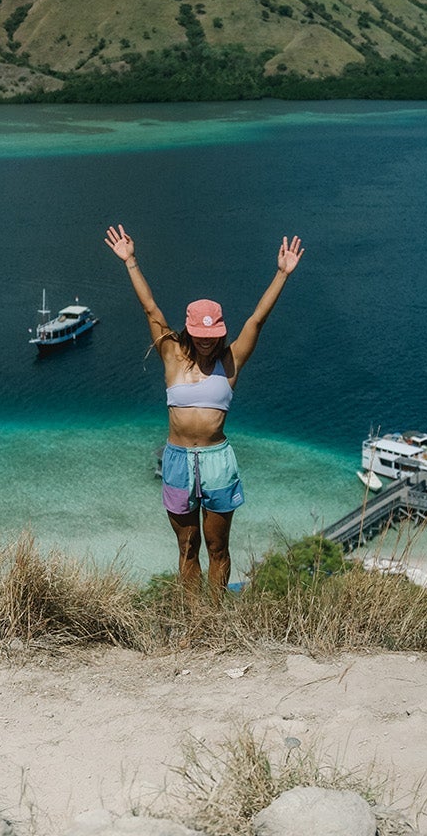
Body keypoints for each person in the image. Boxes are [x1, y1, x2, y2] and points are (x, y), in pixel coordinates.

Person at [103, 224, 304, 594]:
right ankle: (195, 623)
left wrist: (282, 274)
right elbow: (150, 308)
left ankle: (214, 619)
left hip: (217, 460)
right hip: (178, 459)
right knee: (187, 547)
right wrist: (130, 261)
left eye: (214, 337)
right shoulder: (171, 355)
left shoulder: (232, 360)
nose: (208, 343)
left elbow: (257, 319)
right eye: (201, 336)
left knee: (217, 547)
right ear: (189, 330)